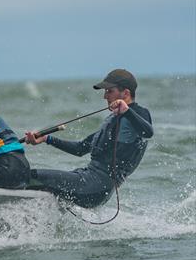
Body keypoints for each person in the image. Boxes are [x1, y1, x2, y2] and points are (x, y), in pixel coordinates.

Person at [23, 69, 153, 208]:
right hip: (90, 182)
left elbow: (147, 132)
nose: (105, 96)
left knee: (30, 176)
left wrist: (127, 111)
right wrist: (46, 139)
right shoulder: (113, 119)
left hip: (94, 186)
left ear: (126, 93)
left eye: (109, 91)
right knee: (39, 184)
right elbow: (81, 148)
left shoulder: (139, 114)